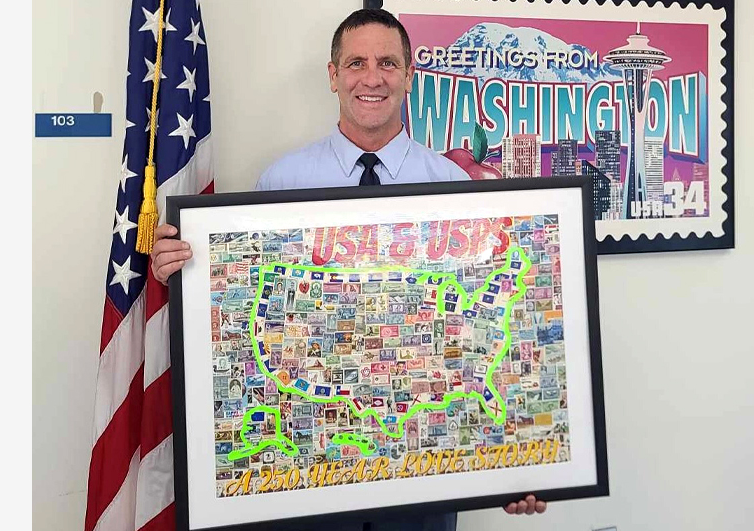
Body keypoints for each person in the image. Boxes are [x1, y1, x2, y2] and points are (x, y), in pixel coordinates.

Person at [150, 7, 547, 529]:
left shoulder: (456, 187)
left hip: (421, 487)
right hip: (308, 483)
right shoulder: (279, 183)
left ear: (409, 75)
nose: (372, 77)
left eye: (387, 62)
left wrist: (516, 464)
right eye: (355, 62)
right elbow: (242, 312)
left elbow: (483, 333)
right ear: (333, 75)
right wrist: (182, 271)